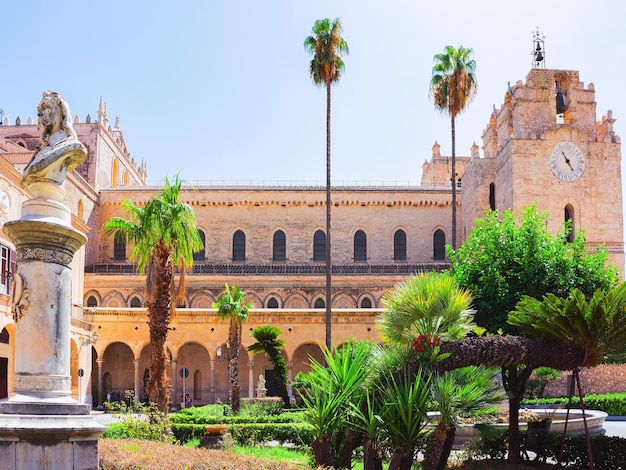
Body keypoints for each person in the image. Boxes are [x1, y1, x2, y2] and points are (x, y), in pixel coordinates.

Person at [21, 90, 86, 188]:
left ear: (61, 111)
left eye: (46, 107)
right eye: (39, 109)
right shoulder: (40, 151)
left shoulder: (73, 146)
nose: (39, 114)